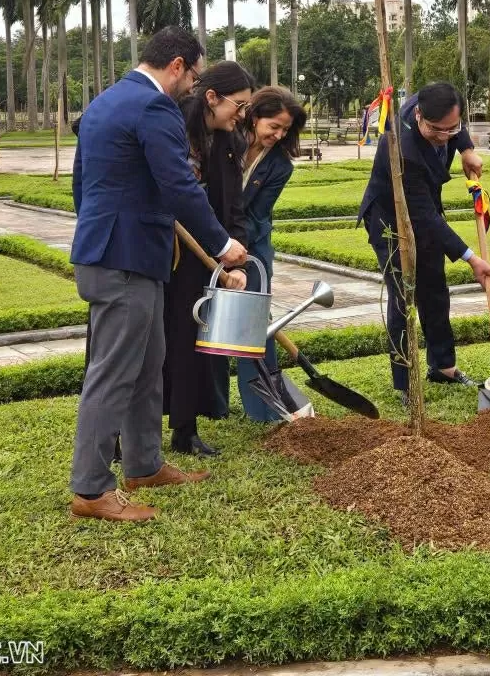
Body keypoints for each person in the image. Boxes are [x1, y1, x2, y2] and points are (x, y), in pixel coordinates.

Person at [68, 26, 248, 522]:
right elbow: (179, 186)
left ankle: (144, 464)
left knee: (148, 365)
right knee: (112, 374)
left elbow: (82, 186)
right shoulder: (154, 107)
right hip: (124, 259)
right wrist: (222, 244)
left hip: (117, 252)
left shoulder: (104, 102)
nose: (192, 86)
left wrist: (102, 233)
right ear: (177, 66)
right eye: (192, 75)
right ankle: (90, 489)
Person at [358, 82, 490, 406]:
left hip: (425, 208)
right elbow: (425, 218)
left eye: (452, 129)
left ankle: (443, 367)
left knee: (434, 288)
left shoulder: (435, 107)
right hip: (390, 220)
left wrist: (466, 148)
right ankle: (404, 382)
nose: (444, 136)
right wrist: (471, 258)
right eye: (437, 130)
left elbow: (450, 125)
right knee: (403, 297)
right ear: (418, 116)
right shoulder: (403, 149)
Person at [162, 61, 254, 457]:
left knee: (189, 341)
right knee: (146, 343)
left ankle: (185, 429)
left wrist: (236, 260)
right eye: (240, 105)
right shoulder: (171, 127)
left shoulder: (229, 141)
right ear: (212, 98)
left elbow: (234, 206)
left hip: (201, 256)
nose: (242, 114)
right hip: (160, 251)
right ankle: (118, 433)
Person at [234, 85, 311, 422]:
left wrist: (230, 247)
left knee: (253, 327)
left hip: (252, 248)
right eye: (274, 126)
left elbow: (256, 215)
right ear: (254, 117)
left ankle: (263, 409)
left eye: (285, 129)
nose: (279, 135)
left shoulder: (280, 166)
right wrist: (213, 241)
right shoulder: (226, 142)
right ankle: (212, 405)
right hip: (208, 242)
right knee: (207, 323)